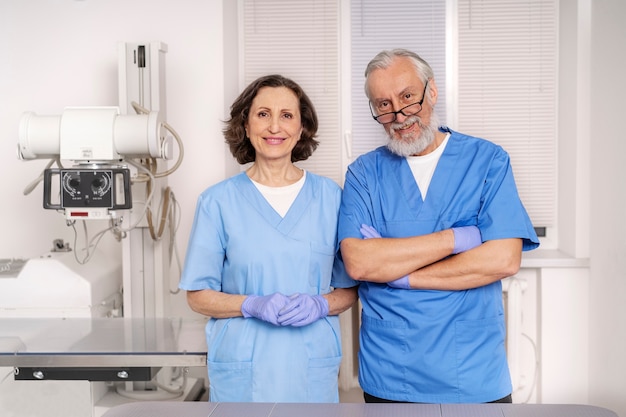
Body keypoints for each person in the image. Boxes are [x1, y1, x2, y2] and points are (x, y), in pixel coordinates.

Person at [337, 48, 540, 404]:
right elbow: (360, 263)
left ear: (431, 92)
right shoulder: (363, 174)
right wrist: (456, 239)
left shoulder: (487, 161)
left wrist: (401, 273)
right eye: (383, 104)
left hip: (472, 370)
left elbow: (502, 260)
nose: (399, 114)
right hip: (392, 370)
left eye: (408, 97)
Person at [179, 74, 358, 403]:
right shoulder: (217, 202)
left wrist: (320, 304)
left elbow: (349, 290)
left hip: (310, 372)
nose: (275, 126)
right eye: (263, 114)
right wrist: (250, 304)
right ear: (245, 126)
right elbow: (198, 296)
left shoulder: (331, 198)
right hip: (243, 376)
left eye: (287, 115)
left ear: (302, 127)